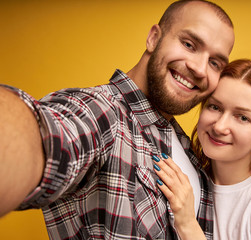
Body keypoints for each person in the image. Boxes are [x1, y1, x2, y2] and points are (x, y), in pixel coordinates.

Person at [0, 0, 235, 239]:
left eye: (214, 62)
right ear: (154, 38)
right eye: (189, 44)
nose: (200, 69)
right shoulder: (102, 111)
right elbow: (48, 137)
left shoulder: (189, 148)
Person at [153, 59, 251, 240]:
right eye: (215, 107)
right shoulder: (185, 175)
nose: (220, 127)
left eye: (242, 117)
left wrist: (187, 224)